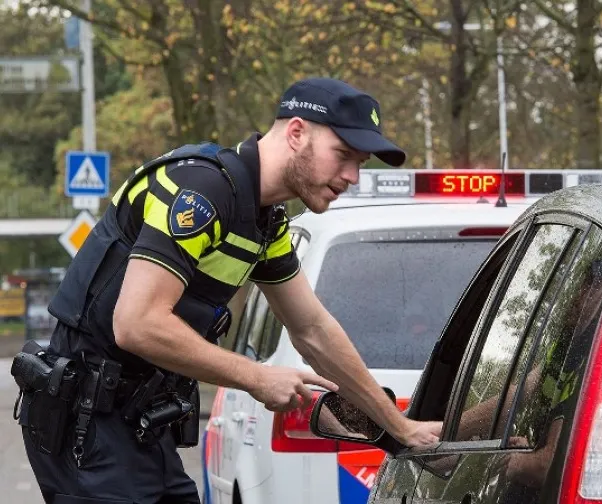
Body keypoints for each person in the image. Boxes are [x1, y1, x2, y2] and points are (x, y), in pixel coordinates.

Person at [12, 77, 442, 504]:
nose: (352, 175)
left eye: (360, 162)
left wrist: (399, 427)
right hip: (88, 425)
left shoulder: (265, 221)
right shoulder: (200, 191)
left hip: (138, 423)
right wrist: (255, 376)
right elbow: (136, 323)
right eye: (343, 155)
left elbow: (312, 329)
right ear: (296, 133)